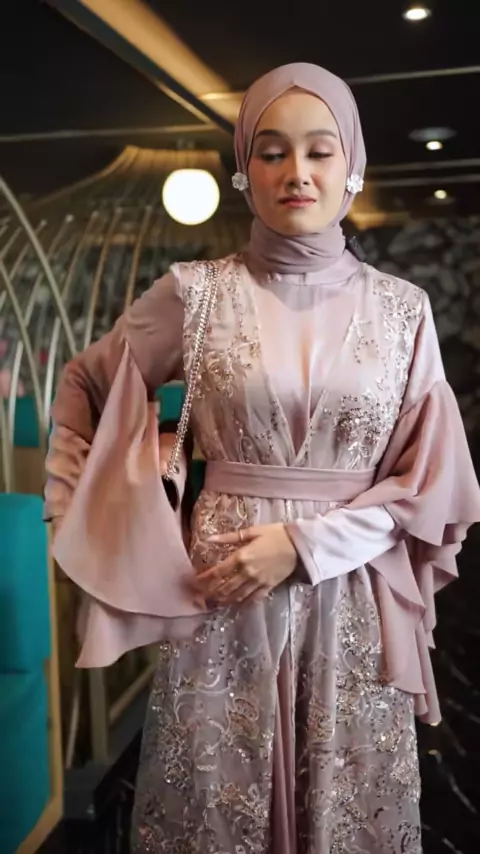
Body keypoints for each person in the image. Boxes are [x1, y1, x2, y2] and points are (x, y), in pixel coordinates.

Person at [45, 63, 480, 854]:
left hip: (351, 589)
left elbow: (431, 480)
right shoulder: (195, 293)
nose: (297, 172)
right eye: (272, 152)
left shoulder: (403, 311)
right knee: (217, 805)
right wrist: (108, 503)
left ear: (352, 167)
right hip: (222, 590)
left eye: (319, 151)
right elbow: (86, 385)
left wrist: (307, 545)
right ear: (245, 169)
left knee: (346, 802)